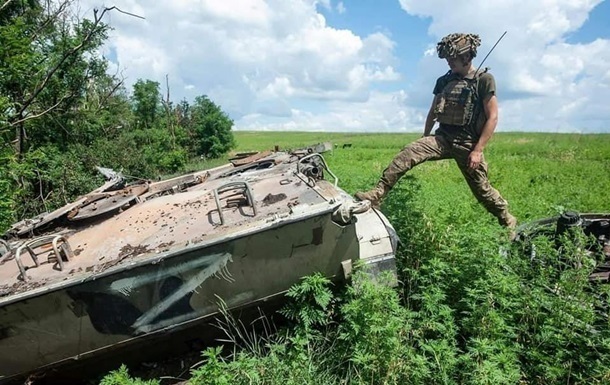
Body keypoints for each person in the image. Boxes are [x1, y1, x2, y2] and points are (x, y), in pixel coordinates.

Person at [355, 33, 517, 229]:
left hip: (468, 145)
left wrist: (478, 150)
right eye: (447, 59)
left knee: (482, 190)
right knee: (407, 154)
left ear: (466, 57)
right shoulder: (443, 81)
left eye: (453, 58)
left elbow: (492, 117)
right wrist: (424, 139)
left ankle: (507, 220)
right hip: (443, 139)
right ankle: (377, 194)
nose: (449, 62)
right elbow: (433, 111)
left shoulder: (484, 80)